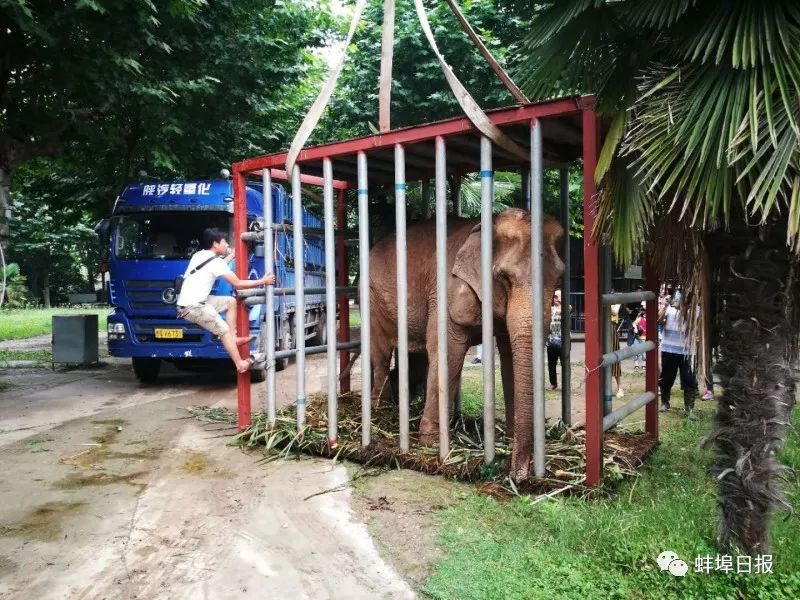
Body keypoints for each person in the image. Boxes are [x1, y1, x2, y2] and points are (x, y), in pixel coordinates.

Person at [176, 227, 275, 373]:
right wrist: (263, 280)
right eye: (224, 242)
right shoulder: (216, 262)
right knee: (223, 330)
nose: (227, 245)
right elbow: (238, 283)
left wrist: (231, 257)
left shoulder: (200, 255)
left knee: (231, 302)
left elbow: (216, 265)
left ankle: (233, 338)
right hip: (194, 307)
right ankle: (240, 364)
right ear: (215, 244)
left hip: (190, 303)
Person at [657, 295, 699, 419]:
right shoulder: (669, 309)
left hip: (688, 352)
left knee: (689, 380)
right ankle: (665, 402)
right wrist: (665, 306)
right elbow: (658, 320)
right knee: (666, 379)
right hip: (668, 349)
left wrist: (684, 309)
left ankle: (689, 409)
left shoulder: (695, 311)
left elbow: (694, 323)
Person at [546, 290, 562, 390]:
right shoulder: (550, 309)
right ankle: (553, 383)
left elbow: (567, 309)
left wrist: (560, 301)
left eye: (557, 297)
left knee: (565, 363)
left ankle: (566, 383)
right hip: (551, 340)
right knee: (551, 364)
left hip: (562, 341)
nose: (555, 299)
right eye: (554, 297)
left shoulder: (567, 308)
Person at [610, 301, 625, 398]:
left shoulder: (616, 302)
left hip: (611, 329)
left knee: (614, 359)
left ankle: (620, 387)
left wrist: (606, 302)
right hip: (599, 328)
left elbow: (614, 312)